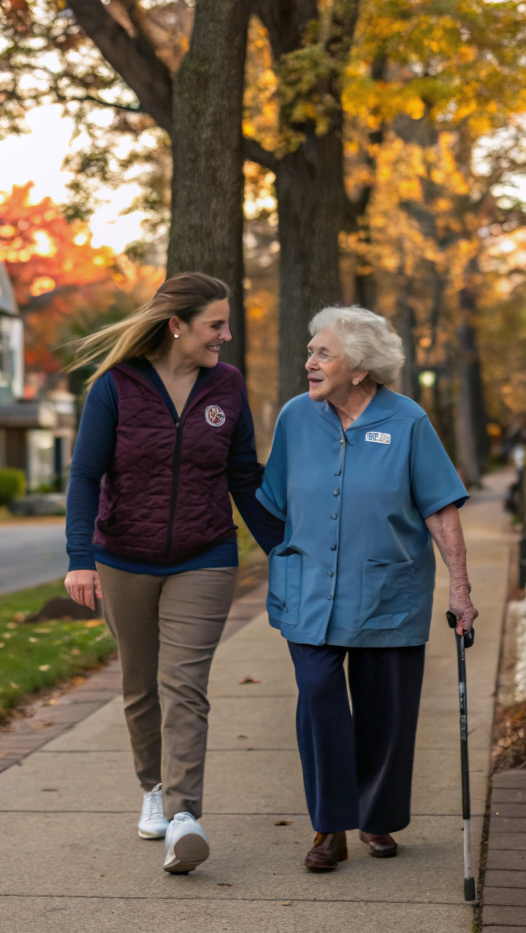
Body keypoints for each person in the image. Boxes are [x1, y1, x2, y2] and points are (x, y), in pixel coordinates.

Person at [64, 272, 283, 874]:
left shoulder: (227, 385)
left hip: (204, 553)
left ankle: (185, 816)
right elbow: (85, 476)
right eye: (216, 325)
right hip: (123, 556)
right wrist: (79, 558)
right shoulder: (115, 386)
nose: (225, 336)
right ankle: (154, 790)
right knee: (140, 684)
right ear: (176, 326)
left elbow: (244, 476)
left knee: (184, 685)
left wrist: (282, 548)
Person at [256, 306, 478, 873]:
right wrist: (284, 557)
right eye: (311, 352)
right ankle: (330, 825)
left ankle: (375, 815)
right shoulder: (295, 418)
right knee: (319, 698)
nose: (309, 362)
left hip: (388, 591)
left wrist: (460, 588)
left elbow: (440, 509)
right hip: (309, 592)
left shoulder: (407, 421)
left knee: (386, 710)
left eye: (323, 354)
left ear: (359, 368)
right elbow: (273, 502)